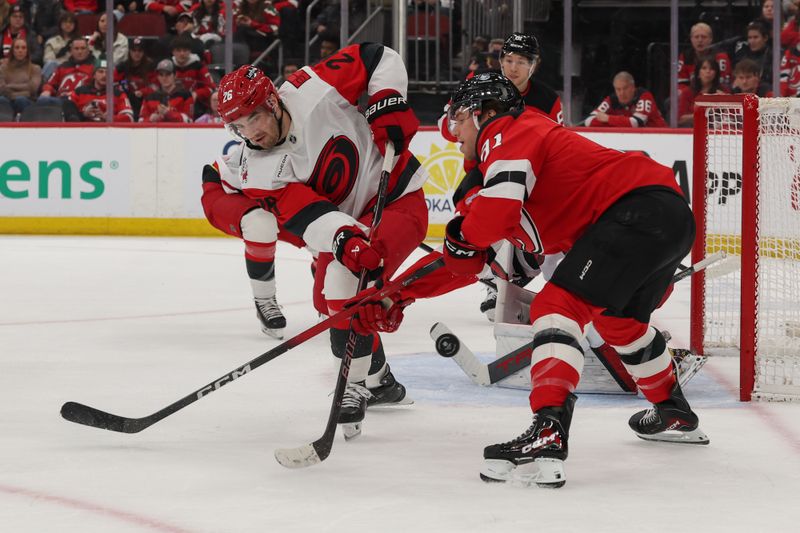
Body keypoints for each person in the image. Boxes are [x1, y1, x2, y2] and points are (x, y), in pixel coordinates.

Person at [352, 72, 708, 487]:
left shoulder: (508, 130)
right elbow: (475, 265)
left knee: (556, 308)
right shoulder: (523, 187)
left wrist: (462, 235)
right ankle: (673, 411)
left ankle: (548, 430)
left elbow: (488, 220)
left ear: (481, 112)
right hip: (666, 218)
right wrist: (398, 294)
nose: (455, 133)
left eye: (459, 120)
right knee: (617, 322)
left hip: (636, 212)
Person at [205, 43, 428, 431]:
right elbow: (308, 213)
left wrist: (386, 101)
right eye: (238, 126)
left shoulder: (313, 86)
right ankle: (381, 380)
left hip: (397, 198)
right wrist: (344, 237)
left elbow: (376, 56)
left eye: (253, 118)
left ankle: (352, 387)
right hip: (349, 218)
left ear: (272, 103)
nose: (250, 133)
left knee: (345, 280)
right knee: (329, 304)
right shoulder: (257, 169)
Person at [583, 71, 667, 128]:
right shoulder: (612, 99)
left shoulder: (644, 96)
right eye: (618, 89)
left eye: (625, 88)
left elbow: (637, 122)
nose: (621, 93)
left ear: (633, 87)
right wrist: (621, 122)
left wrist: (608, 118)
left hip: (659, 139)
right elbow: (589, 121)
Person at [70, 59, 134, 122]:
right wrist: (83, 114)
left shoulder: (118, 94)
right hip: (82, 130)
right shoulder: (79, 92)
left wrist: (109, 118)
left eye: (107, 72)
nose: (104, 75)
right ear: (94, 75)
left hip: (108, 131)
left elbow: (129, 117)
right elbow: (67, 113)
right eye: (100, 71)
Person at [170, 34, 215, 116]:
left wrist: (196, 94)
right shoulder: (169, 66)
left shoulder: (198, 66)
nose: (182, 54)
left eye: (185, 50)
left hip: (195, 106)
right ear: (173, 52)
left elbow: (210, 88)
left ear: (190, 51)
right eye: (178, 50)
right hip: (172, 103)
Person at [677, 58, 729, 127]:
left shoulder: (723, 91)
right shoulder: (687, 92)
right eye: (704, 68)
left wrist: (726, 103)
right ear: (698, 72)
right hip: (691, 131)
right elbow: (680, 119)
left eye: (712, 69)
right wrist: (705, 111)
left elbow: (732, 118)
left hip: (718, 132)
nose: (708, 71)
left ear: (716, 73)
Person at [678, 22, 732, 88]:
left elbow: (724, 84)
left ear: (710, 39)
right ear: (691, 39)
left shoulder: (720, 57)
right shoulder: (685, 56)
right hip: (692, 95)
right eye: (696, 37)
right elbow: (680, 85)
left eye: (704, 37)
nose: (700, 40)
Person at [115, 38, 157, 121]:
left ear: (144, 52)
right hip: (126, 100)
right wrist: (123, 90)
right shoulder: (122, 67)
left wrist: (143, 92)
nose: (136, 53)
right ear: (129, 52)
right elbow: (113, 85)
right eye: (134, 50)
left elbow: (156, 86)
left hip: (145, 100)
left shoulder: (151, 67)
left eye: (140, 51)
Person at [139, 58, 193, 122]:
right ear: (157, 76)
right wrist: (150, 119)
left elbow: (189, 120)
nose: (164, 78)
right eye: (161, 75)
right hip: (155, 131)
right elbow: (140, 121)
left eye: (168, 74)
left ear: (175, 75)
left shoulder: (186, 95)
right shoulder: (149, 97)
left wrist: (169, 114)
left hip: (177, 131)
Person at [0, 37, 41, 118]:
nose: (20, 50)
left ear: (27, 51)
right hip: (7, 100)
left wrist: (10, 86)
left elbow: (32, 88)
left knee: (20, 100)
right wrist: (23, 90)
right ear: (12, 51)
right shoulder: (3, 68)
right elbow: (1, 88)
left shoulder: (35, 68)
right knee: (1, 100)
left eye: (23, 48)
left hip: (27, 101)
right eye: (17, 47)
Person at [42, 11, 80, 81]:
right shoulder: (52, 41)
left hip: (75, 69)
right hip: (56, 70)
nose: (68, 25)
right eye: (65, 22)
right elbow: (47, 60)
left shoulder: (80, 41)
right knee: (50, 64)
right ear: (60, 24)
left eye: (71, 22)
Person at [733, 20, 773, 85]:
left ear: (765, 38)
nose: (752, 41)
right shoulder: (742, 56)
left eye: (755, 37)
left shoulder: (773, 56)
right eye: (750, 38)